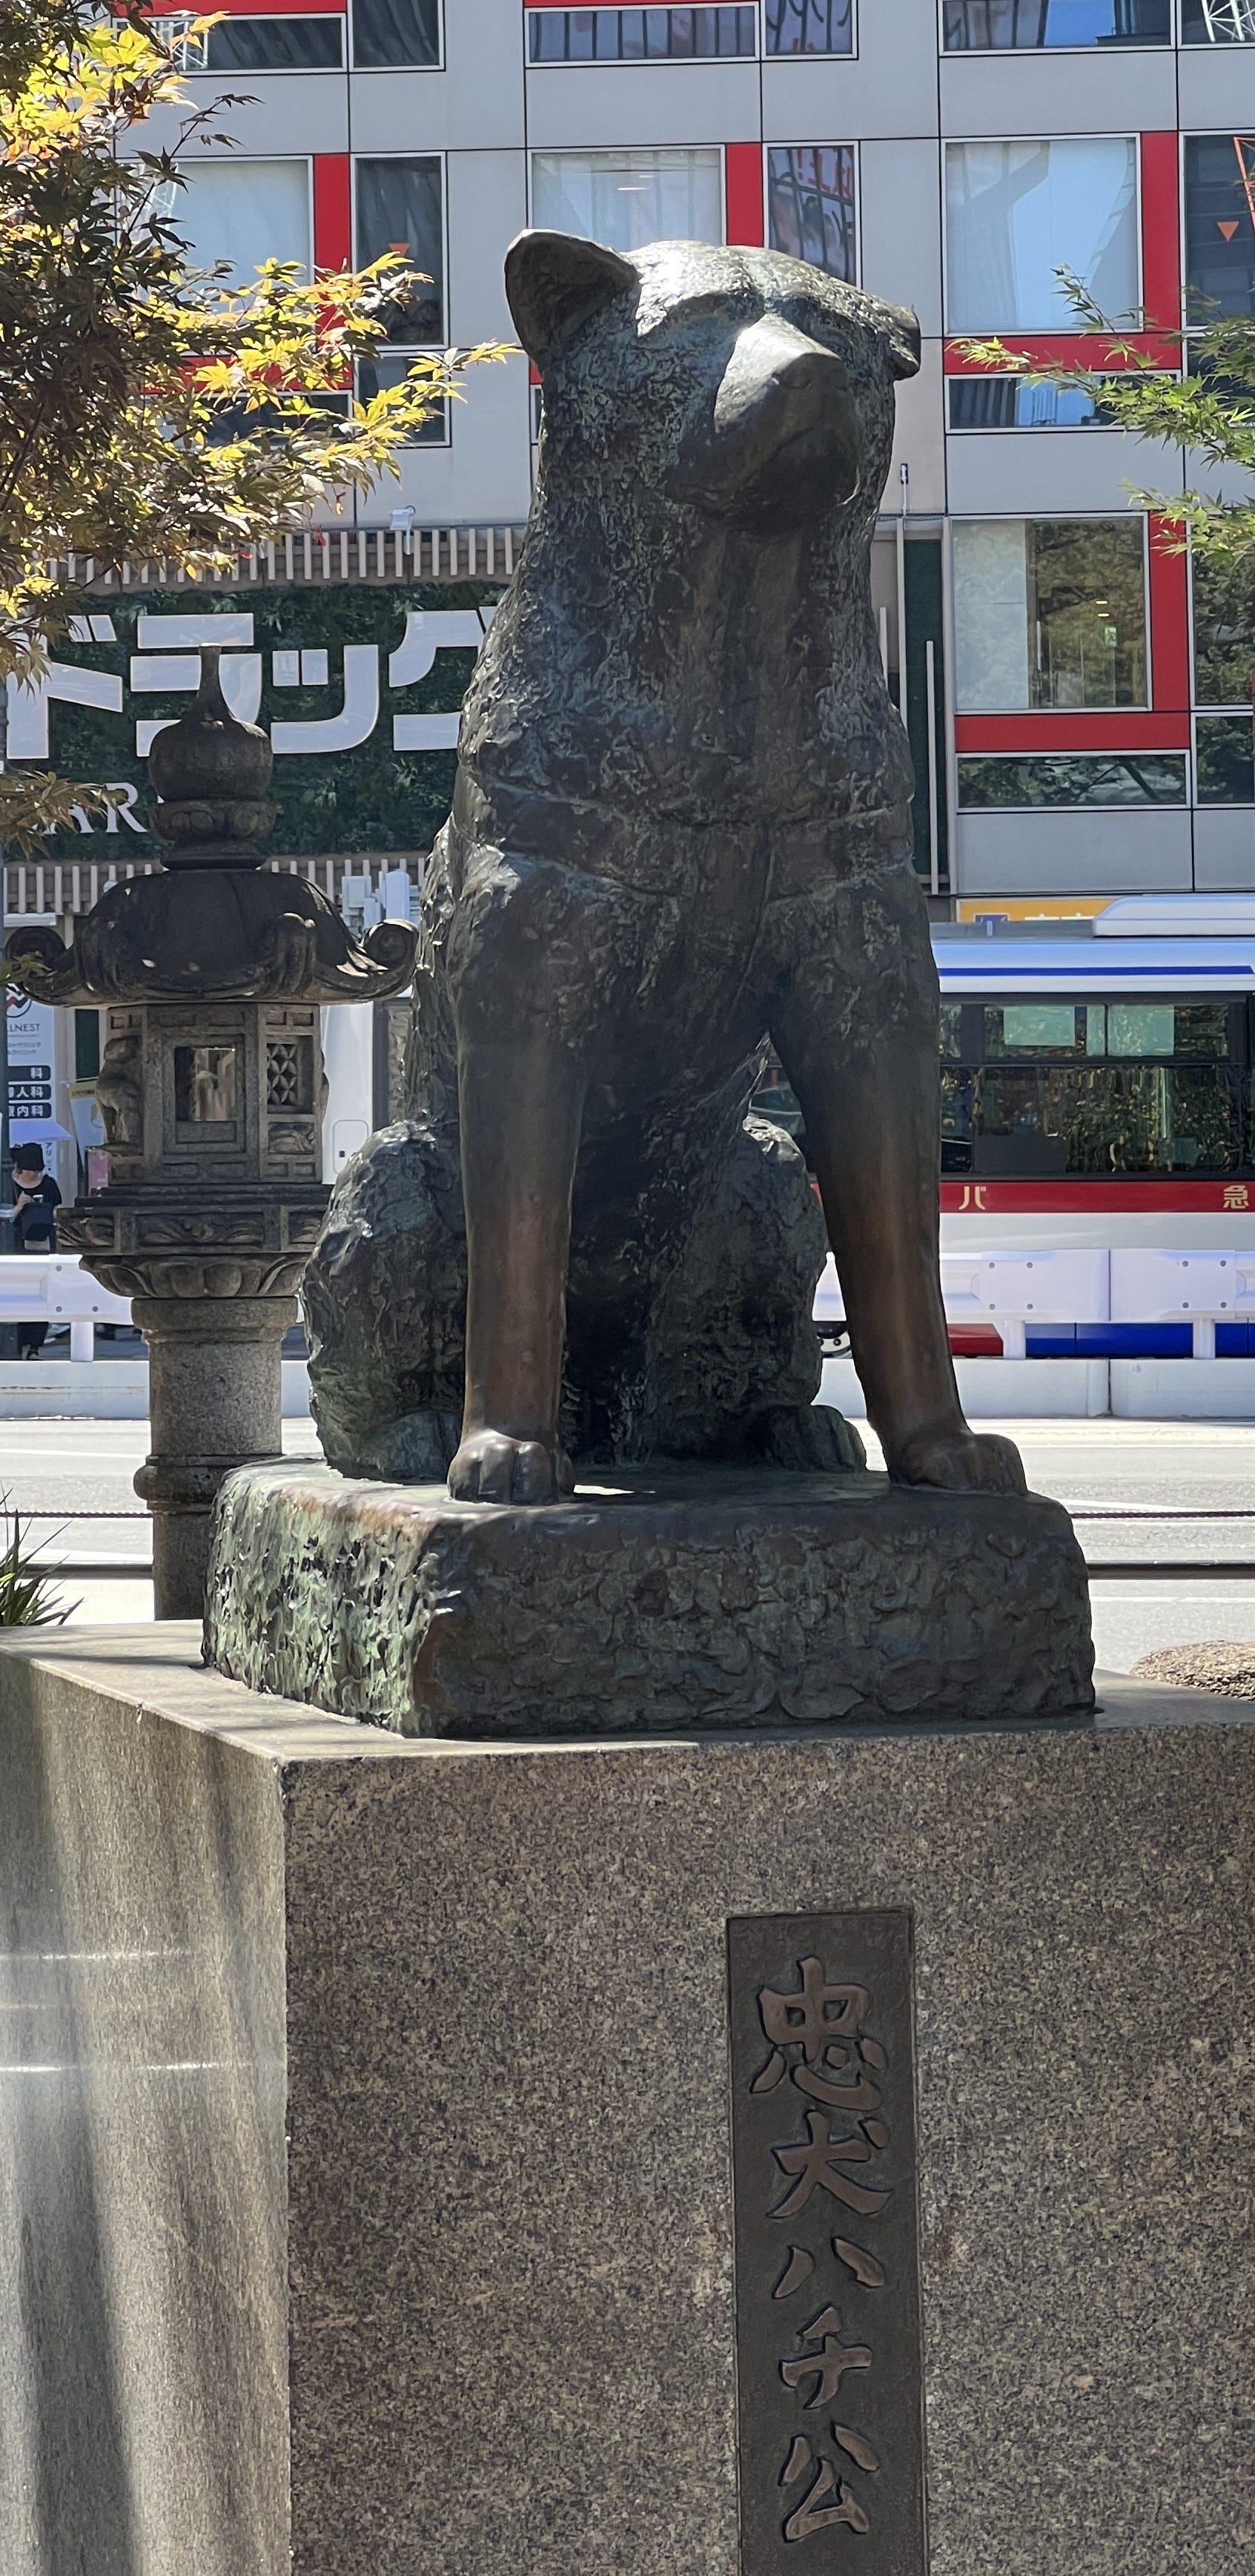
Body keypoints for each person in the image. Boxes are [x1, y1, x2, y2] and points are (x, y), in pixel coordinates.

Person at [11, 1146, 62, 1358]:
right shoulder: (9, 1186)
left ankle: (35, 1346)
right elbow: (6, 1218)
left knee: (41, 1295)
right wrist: (19, 1206)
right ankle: (17, 1342)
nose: (34, 1176)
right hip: (15, 1247)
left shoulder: (49, 1185)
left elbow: (58, 1211)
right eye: (30, 1172)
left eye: (37, 1171)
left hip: (42, 1246)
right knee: (16, 1296)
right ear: (20, 1169)